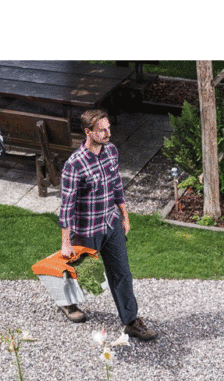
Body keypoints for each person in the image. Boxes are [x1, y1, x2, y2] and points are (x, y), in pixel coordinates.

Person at [57, 109, 157, 341]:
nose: (108, 133)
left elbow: (117, 185)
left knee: (122, 274)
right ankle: (67, 303)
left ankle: (131, 321)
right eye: (102, 130)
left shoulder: (111, 151)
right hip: (86, 231)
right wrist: (65, 242)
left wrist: (125, 216)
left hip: (111, 224)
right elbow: (66, 206)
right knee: (82, 274)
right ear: (88, 132)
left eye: (108, 128)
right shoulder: (74, 164)